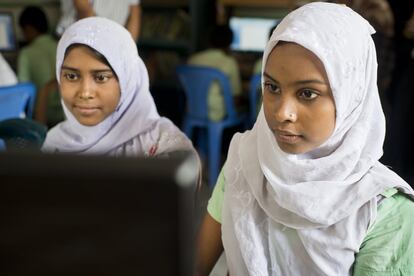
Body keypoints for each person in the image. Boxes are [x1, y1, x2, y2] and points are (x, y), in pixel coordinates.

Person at [196, 2, 414, 276]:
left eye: (307, 93)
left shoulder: (382, 212)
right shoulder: (245, 160)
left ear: (352, 97)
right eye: (272, 87)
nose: (281, 113)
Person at [42, 17, 194, 159]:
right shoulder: (54, 143)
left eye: (101, 77)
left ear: (127, 81)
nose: (85, 93)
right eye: (72, 76)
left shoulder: (162, 142)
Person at [17, 5, 64, 127]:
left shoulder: (26, 53)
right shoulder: (61, 46)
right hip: (65, 114)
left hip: (41, 117)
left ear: (28, 29)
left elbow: (23, 92)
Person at [188, 24, 242, 122]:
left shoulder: (193, 59)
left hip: (192, 109)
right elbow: (236, 97)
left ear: (208, 40)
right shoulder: (229, 62)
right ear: (230, 43)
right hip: (217, 113)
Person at [56, 0, 141, 42]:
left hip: (112, 40)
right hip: (79, 36)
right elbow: (83, 9)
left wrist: (129, 48)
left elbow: (134, 12)